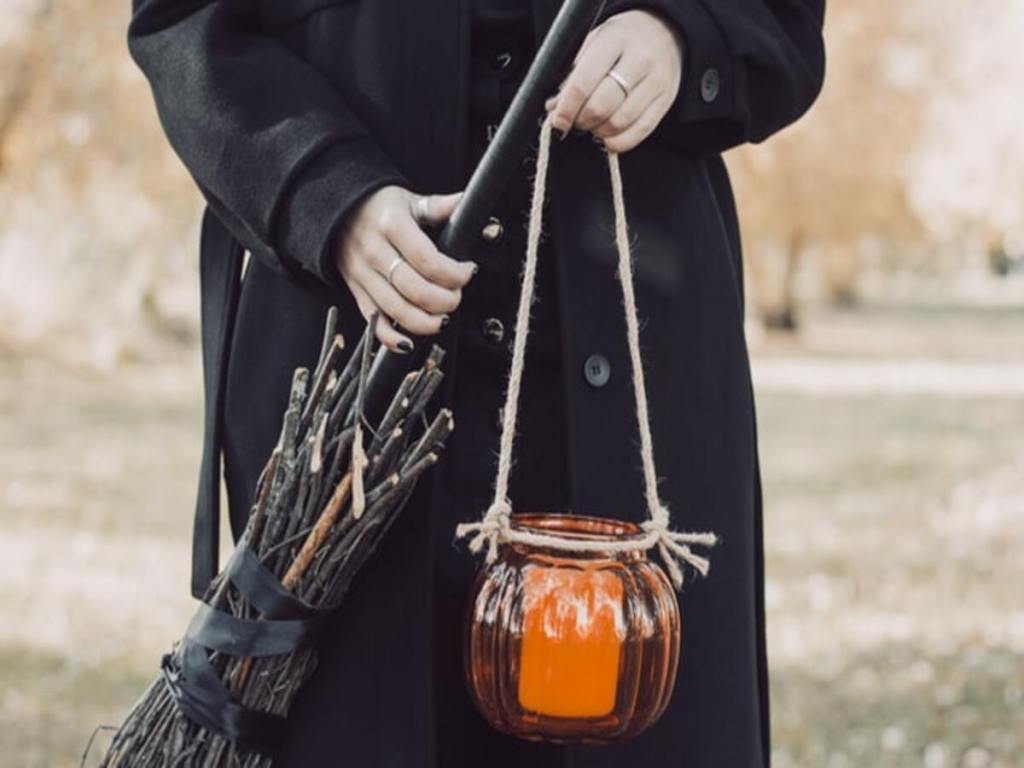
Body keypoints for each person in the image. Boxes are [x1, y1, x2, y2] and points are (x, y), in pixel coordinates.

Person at [127, 0, 825, 765]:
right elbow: (185, 24)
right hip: (349, 374)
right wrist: (326, 193)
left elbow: (781, 19)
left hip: (636, 376)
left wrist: (679, 38)